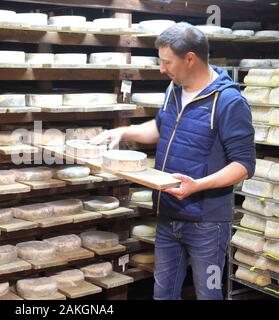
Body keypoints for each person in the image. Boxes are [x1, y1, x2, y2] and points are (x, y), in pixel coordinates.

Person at [90, 22, 256, 300]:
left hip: (208, 223)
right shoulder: (173, 90)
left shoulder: (229, 102)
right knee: (163, 294)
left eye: (167, 62)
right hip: (168, 214)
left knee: (209, 294)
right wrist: (122, 131)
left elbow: (244, 166)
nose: (161, 69)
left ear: (190, 58)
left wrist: (197, 185)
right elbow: (160, 128)